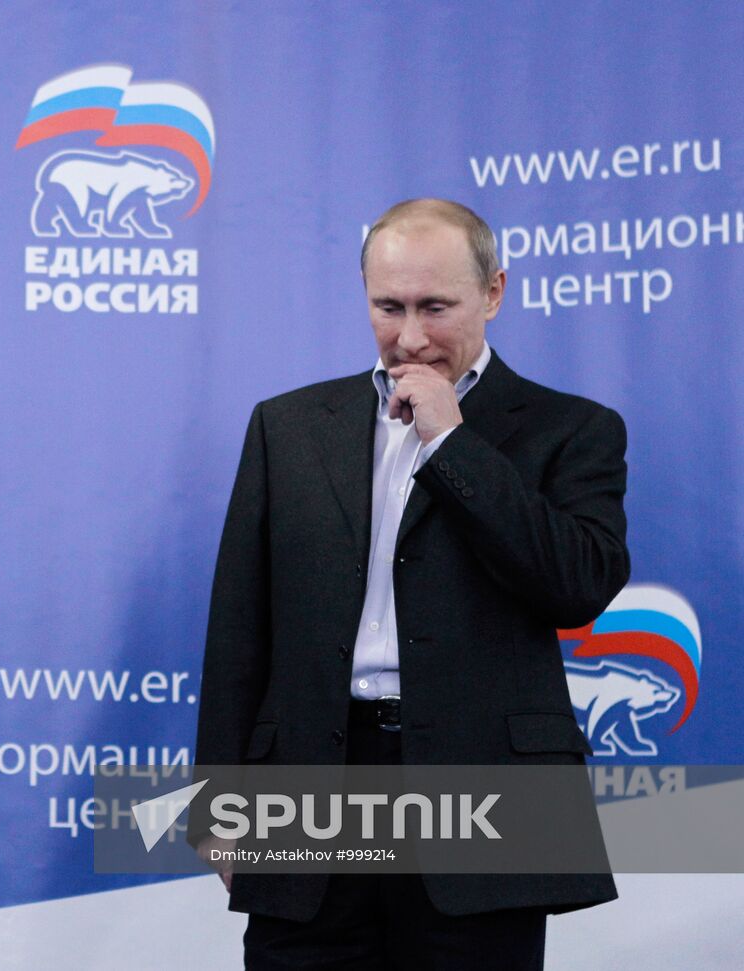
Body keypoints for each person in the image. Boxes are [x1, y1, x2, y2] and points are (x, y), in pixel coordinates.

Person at [194, 199, 626, 969]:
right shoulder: (287, 427)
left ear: (494, 292)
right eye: (388, 307)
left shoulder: (573, 429)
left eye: (437, 307)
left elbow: (577, 583)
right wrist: (217, 799)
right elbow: (239, 626)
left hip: (484, 794)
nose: (412, 336)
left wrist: (451, 440)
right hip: (310, 788)